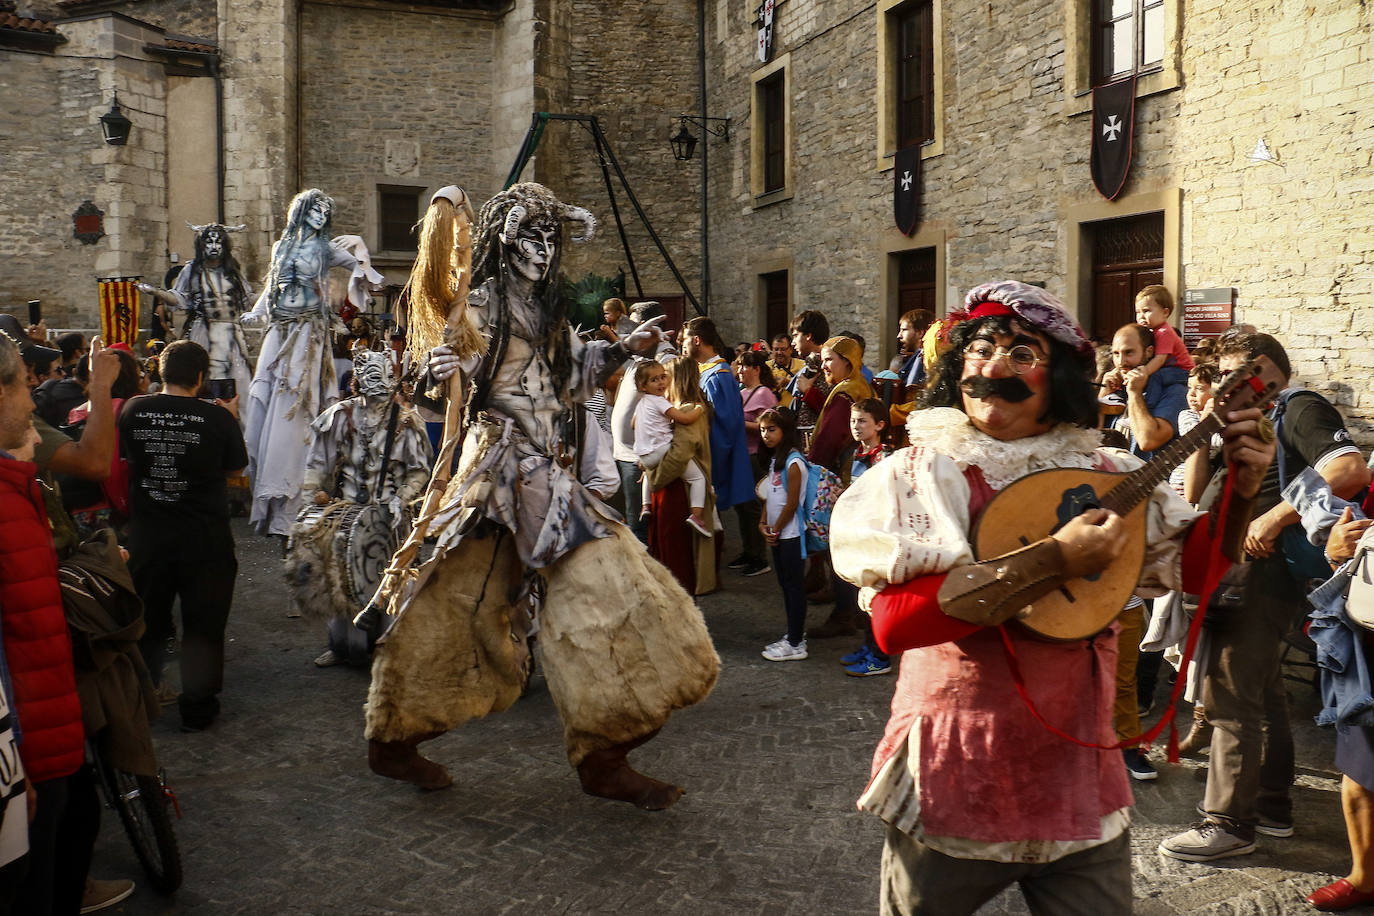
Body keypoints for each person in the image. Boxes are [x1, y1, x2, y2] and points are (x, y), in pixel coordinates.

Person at [828, 280, 1275, 915]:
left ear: (1059, 377)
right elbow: (895, 627)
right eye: (980, 352)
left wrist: (1246, 484)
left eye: (1020, 355)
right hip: (959, 766)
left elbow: (1200, 572)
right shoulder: (922, 476)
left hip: (1077, 771)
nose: (993, 370)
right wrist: (1050, 560)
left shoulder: (1107, 473)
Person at [363, 182, 719, 808]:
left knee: (612, 584)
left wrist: (624, 346)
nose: (543, 249)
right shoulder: (474, 309)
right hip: (493, 479)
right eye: (531, 235)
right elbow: (437, 383)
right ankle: (394, 740)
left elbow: (575, 377)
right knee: (456, 609)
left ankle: (604, 751)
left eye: (551, 238)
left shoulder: (551, 317)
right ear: (503, 239)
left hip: (548, 481)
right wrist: (432, 371)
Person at [1160, 332, 1370, 862]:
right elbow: (1195, 493)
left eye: (1239, 376)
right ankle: (1272, 806)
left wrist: (1273, 517)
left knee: (1230, 698)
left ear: (1263, 370)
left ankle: (1228, 823)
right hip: (1243, 577)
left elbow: (1348, 472)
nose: (1232, 387)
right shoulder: (1249, 416)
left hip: (1263, 578)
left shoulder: (1296, 407)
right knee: (1263, 695)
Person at [120, 340, 249, 731]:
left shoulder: (133, 409)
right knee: (203, 625)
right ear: (200, 378)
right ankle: (197, 709)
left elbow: (130, 460)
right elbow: (235, 471)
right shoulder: (217, 418)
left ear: (161, 372)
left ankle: (142, 700)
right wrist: (230, 418)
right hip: (203, 539)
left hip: (149, 535)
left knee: (150, 620)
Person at [287, 347, 433, 667]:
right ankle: (341, 647)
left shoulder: (407, 422)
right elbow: (317, 461)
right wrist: (312, 494)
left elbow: (420, 470)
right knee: (342, 578)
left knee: (389, 583)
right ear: (358, 380)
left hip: (390, 518)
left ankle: (386, 651)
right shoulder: (341, 415)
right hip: (345, 513)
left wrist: (401, 498)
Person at [241, 189, 372, 537]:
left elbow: (356, 261)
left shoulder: (325, 250)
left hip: (306, 337)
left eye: (325, 211)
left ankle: (296, 501)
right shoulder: (281, 246)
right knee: (268, 404)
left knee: (298, 409)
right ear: (301, 210)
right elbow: (272, 286)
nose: (320, 214)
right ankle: (274, 500)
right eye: (315, 208)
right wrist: (256, 313)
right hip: (280, 331)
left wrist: (363, 261)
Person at [1300, 493, 1374, 910]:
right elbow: (1354, 551)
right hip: (1369, 639)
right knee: (1360, 768)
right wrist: (1336, 550)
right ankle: (1364, 877)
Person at [794, 335, 874, 639]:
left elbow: (829, 438)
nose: (824, 365)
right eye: (824, 359)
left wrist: (809, 470)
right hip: (853, 473)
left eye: (830, 359)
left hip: (841, 477)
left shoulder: (845, 394)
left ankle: (846, 613)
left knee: (838, 547)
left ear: (848, 362)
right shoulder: (854, 388)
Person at [137, 222, 255, 410]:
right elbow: (180, 298)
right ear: (202, 245)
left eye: (218, 243)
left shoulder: (232, 270)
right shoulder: (192, 270)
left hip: (232, 334)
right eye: (209, 242)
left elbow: (247, 299)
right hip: (205, 332)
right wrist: (157, 292)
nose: (214, 247)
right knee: (207, 381)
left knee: (240, 382)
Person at [681, 316, 755, 558]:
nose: (683, 345)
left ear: (697, 340)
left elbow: (725, 422)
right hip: (712, 449)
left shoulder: (718, 376)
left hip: (718, 450)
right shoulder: (706, 372)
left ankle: (743, 556)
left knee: (732, 507)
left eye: (685, 340)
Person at [838, 397, 893, 677]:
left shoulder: (886, 458)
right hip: (860, 533)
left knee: (878, 597)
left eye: (862, 421)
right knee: (864, 596)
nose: (856, 426)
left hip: (878, 536)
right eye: (852, 421)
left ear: (880, 425)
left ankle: (880, 656)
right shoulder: (856, 454)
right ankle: (869, 645)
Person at [632, 359, 711, 537]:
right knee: (698, 478)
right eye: (655, 379)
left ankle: (645, 506)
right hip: (671, 483)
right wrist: (699, 409)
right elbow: (684, 427)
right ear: (643, 386)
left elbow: (633, 424)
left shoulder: (642, 403)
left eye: (663, 377)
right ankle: (697, 515)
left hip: (644, 453)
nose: (661, 382)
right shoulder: (664, 403)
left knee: (647, 473)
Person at [757, 408, 809, 661]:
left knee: (794, 587)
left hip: (791, 536)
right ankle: (792, 634)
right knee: (785, 586)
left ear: (785, 431)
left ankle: (797, 642)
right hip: (778, 534)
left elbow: (791, 504)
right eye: (763, 430)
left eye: (772, 429)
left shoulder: (794, 463)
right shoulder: (776, 459)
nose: (766, 435)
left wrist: (776, 529)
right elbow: (771, 495)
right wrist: (763, 522)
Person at [729, 349, 777, 577]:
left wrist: (737, 422)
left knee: (754, 506)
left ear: (756, 369)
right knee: (742, 505)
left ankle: (760, 556)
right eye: (738, 366)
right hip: (741, 454)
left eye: (744, 366)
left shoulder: (764, 393)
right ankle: (748, 551)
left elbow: (766, 426)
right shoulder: (741, 392)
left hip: (755, 455)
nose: (739, 371)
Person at [1134, 285, 1194, 376]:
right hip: (1171, 369)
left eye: (1146, 311)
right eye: (1138, 312)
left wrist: (1144, 372)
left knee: (1155, 377)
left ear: (1165, 312)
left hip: (1182, 370)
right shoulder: (1152, 332)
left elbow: (1160, 359)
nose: (1141, 316)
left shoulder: (1164, 332)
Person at [768, 333, 805, 409]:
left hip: (792, 416)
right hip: (769, 415)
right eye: (776, 349)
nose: (779, 353)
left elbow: (808, 389)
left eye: (783, 349)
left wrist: (788, 383)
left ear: (791, 349)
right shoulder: (765, 366)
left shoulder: (803, 365)